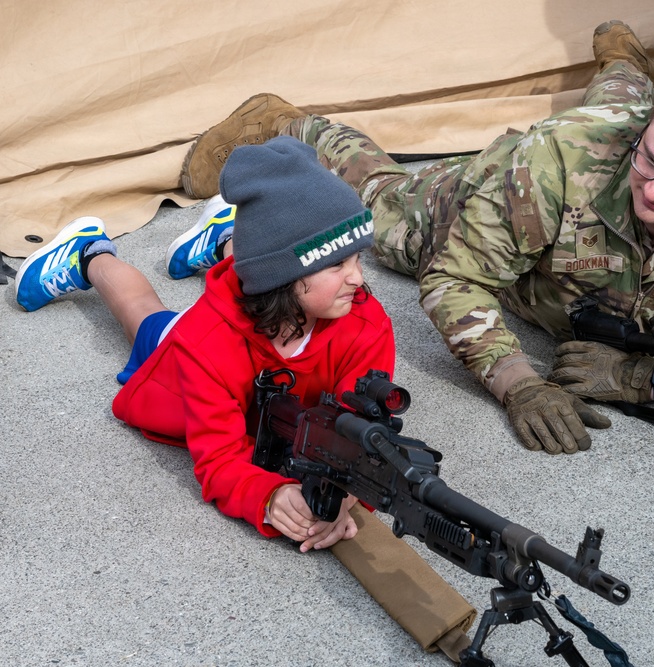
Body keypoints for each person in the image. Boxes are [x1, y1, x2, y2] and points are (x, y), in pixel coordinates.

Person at [179, 21, 654, 456]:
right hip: (497, 188)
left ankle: (625, 69)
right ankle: (292, 122)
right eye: (650, 160)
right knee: (381, 215)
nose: (652, 190)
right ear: (650, 131)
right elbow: (453, 277)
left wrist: (652, 380)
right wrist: (517, 380)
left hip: (612, 129)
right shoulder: (552, 164)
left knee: (614, 119)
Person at [15, 136, 393, 551]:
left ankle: (224, 237)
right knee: (143, 313)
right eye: (338, 264)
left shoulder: (363, 319)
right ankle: (88, 253)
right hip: (191, 349)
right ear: (283, 273)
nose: (357, 278)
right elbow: (218, 460)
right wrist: (269, 498)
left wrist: (346, 496)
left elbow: (359, 435)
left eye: (358, 259)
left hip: (264, 303)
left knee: (263, 265)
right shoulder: (202, 344)